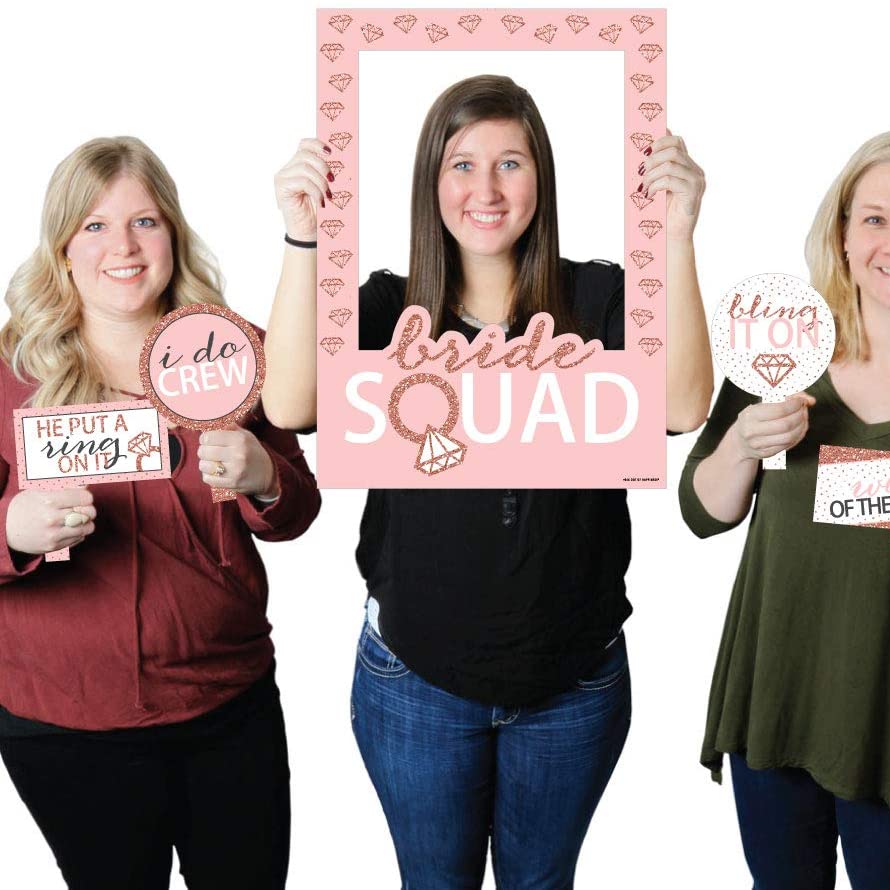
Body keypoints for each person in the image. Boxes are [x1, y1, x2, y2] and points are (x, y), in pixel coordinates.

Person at [264, 75, 711, 887]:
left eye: (511, 162)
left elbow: (681, 408)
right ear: (431, 182)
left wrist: (675, 235)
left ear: (542, 177)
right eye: (462, 164)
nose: (487, 189)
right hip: (417, 676)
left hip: (572, 675)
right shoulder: (388, 306)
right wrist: (303, 239)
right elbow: (291, 404)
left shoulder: (600, 297)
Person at [680, 129, 890, 889]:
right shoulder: (781, 353)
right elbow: (703, 512)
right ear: (845, 238)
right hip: (777, 696)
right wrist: (742, 444)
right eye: (875, 218)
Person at [0, 136, 321, 890]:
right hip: (66, 722)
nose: (123, 246)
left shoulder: (231, 351)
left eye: (144, 222)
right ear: (61, 247)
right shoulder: (10, 371)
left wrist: (264, 476)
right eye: (95, 226)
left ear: (173, 234)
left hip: (225, 703)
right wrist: (11, 532)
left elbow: (297, 508)